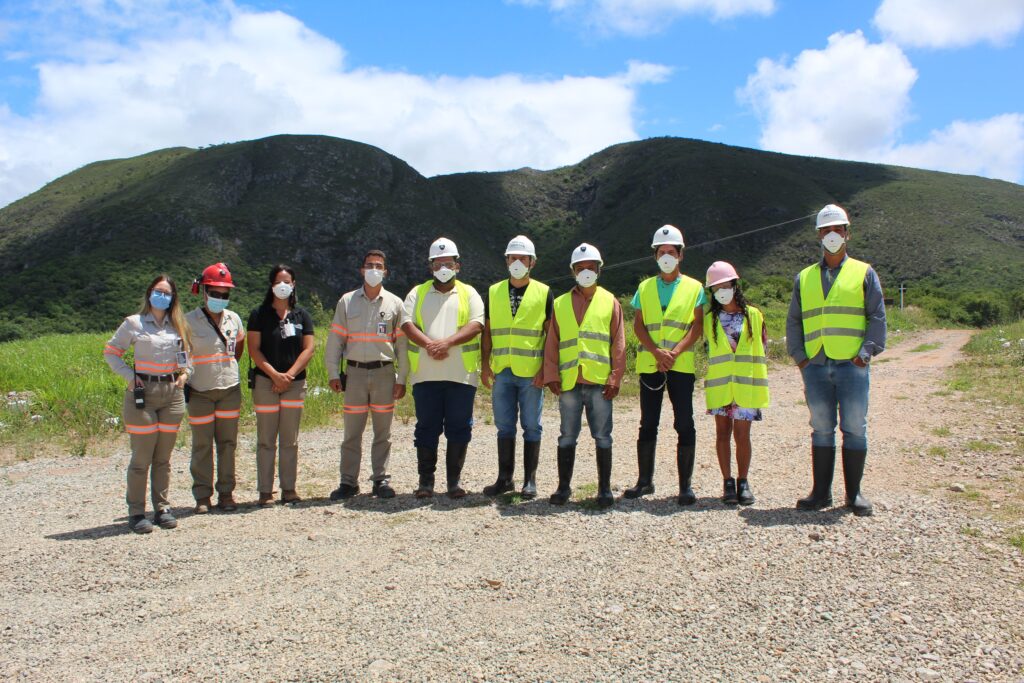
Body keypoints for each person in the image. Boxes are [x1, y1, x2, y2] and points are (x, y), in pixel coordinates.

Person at [787, 204, 886, 516]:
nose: (832, 235)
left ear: (847, 233)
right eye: (826, 230)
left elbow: (877, 317)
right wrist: (800, 357)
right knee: (821, 428)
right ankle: (820, 494)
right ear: (819, 235)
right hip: (815, 364)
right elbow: (794, 320)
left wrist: (865, 353)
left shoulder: (864, 272)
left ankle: (853, 494)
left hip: (851, 364)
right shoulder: (804, 278)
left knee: (855, 427)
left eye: (837, 230)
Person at [626, 225, 706, 506]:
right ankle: (644, 481)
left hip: (680, 366)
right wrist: (656, 352)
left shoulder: (695, 287)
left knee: (684, 422)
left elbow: (697, 326)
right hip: (650, 364)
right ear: (655, 256)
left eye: (672, 252)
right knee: (648, 423)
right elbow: (638, 325)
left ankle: (685, 486)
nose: (667, 256)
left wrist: (673, 353)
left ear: (681, 255)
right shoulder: (644, 287)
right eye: (662, 252)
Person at [104, 275, 191, 534]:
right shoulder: (134, 323)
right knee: (142, 457)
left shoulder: (179, 326)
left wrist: (186, 374)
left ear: (173, 298)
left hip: (172, 393)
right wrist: (131, 378)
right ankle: (136, 512)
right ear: (149, 293)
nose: (161, 296)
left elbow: (189, 356)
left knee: (163, 458)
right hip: (143, 393)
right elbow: (111, 353)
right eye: (157, 291)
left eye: (166, 293)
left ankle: (162, 508)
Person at [543, 243, 626, 508]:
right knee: (567, 435)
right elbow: (552, 342)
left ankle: (604, 490)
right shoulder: (560, 304)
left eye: (590, 267)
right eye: (580, 268)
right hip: (569, 382)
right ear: (573, 272)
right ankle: (563, 488)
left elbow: (618, 343)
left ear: (599, 270)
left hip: (600, 382)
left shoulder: (610, 301)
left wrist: (615, 377)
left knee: (602, 436)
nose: (586, 272)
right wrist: (551, 374)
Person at [401, 237, 484, 499]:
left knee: (459, 427)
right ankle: (426, 482)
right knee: (426, 427)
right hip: (425, 376)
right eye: (438, 264)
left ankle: (454, 482)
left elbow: (476, 324)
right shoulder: (417, 292)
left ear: (457, 266)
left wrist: (446, 343)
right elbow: (406, 323)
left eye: (448, 263)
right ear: (430, 267)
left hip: (461, 376)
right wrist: (429, 344)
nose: (443, 268)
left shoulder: (469, 293)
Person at [325, 250, 408, 500]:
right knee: (352, 432)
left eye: (379, 266)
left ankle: (380, 480)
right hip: (355, 374)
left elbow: (402, 346)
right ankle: (348, 482)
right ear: (361, 270)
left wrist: (401, 378)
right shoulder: (347, 301)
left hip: (384, 373)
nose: (374, 269)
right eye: (369, 265)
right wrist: (332, 372)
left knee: (383, 432)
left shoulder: (395, 303)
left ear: (386, 272)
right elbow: (336, 340)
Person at [480, 235, 553, 499]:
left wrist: (546, 369)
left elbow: (550, 335)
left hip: (531, 372)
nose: (518, 262)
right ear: (506, 261)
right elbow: (487, 331)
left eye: (523, 258)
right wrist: (485, 365)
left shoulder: (544, 292)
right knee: (504, 426)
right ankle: (504, 479)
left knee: (532, 426)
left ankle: (529, 481)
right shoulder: (493, 291)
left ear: (532, 262)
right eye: (513, 258)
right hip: (502, 370)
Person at [246, 265, 316, 506]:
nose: (283, 285)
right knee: (266, 439)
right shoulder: (258, 314)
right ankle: (265, 491)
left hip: (294, 385)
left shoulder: (302, 315)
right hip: (266, 383)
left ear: (294, 284)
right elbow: (253, 349)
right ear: (271, 284)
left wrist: (288, 376)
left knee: (290, 439)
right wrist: (275, 375)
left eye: (287, 281)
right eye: (278, 281)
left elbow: (309, 348)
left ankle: (289, 489)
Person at [703, 261, 769, 506]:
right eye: (715, 287)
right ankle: (727, 482)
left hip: (745, 385)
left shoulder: (753, 315)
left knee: (742, 435)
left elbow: (761, 350)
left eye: (725, 284)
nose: (721, 290)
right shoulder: (710, 319)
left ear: (734, 284)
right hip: (721, 386)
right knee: (722, 434)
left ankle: (743, 481)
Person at [186, 262, 245, 513]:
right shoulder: (188, 322)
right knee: (201, 445)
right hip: (200, 391)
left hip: (229, 389)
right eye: (215, 293)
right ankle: (202, 496)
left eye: (225, 294)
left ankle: (226, 494)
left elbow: (238, 349)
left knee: (228, 443)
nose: (220, 298)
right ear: (203, 291)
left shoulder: (234, 319)